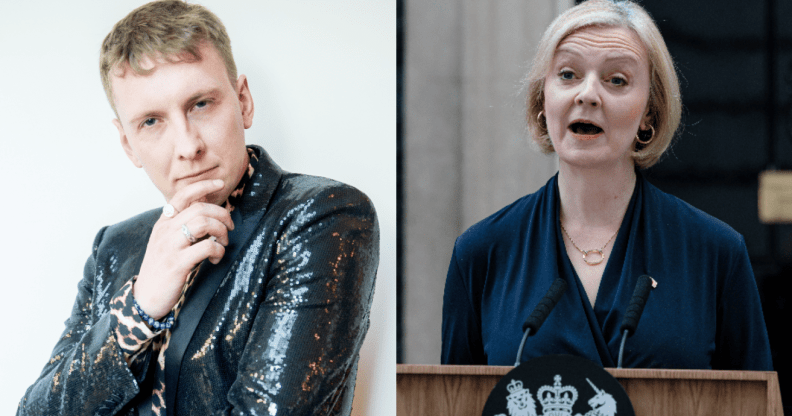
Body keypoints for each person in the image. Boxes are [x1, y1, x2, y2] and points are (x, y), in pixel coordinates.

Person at [17, 1, 379, 415]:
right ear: (128, 144)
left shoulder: (322, 216)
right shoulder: (114, 247)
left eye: (200, 104)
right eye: (151, 122)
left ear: (242, 102)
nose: (188, 147)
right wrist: (138, 309)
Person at [441, 0, 772, 370]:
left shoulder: (716, 253)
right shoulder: (482, 252)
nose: (587, 94)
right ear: (542, 99)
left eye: (617, 80)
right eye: (567, 74)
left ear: (649, 113)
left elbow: (753, 399)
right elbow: (455, 400)